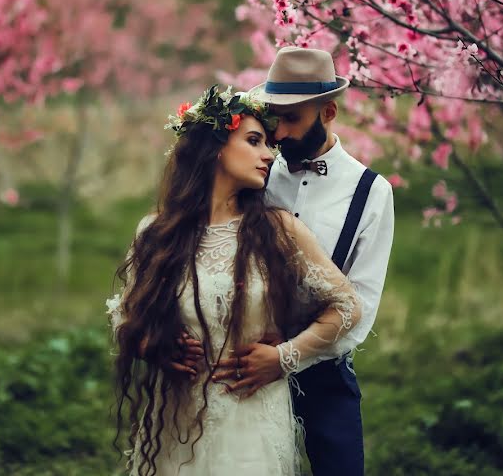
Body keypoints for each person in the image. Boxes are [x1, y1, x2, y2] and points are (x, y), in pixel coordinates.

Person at [106, 85, 364, 476]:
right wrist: (153, 347)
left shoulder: (278, 230)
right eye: (255, 141)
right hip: (175, 423)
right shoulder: (156, 233)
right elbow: (125, 316)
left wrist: (284, 356)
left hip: (251, 420)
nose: (270, 153)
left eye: (268, 144)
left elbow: (347, 308)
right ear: (214, 147)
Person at [215, 46, 395, 475]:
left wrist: (285, 358)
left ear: (328, 111)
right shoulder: (255, 172)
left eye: (292, 119)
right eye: (274, 119)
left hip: (324, 372)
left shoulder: (372, 193)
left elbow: (362, 306)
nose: (278, 134)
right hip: (241, 364)